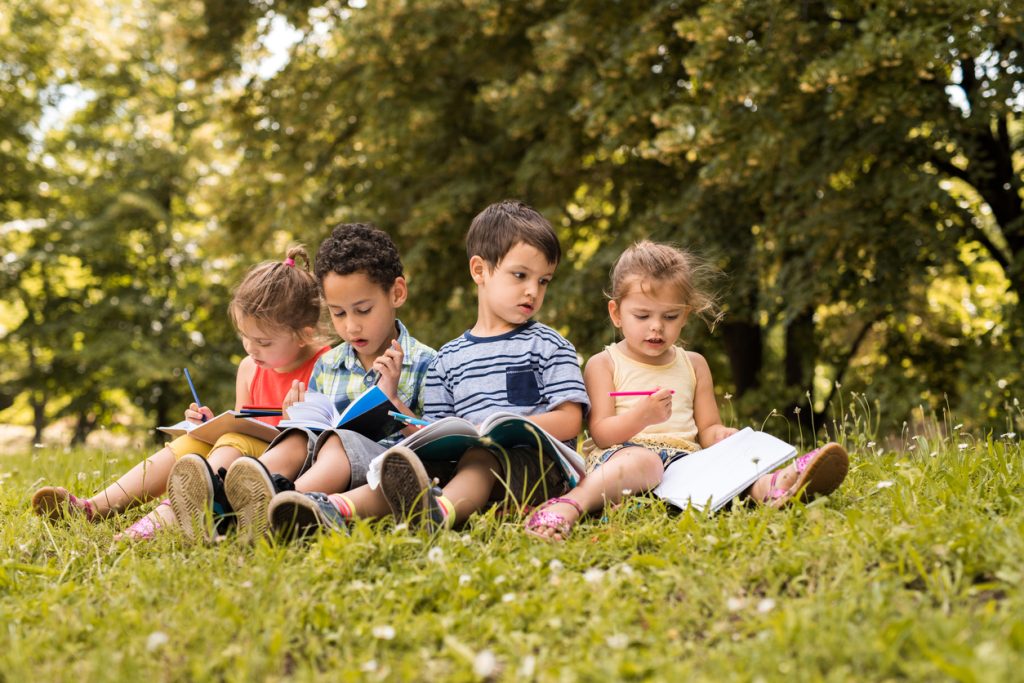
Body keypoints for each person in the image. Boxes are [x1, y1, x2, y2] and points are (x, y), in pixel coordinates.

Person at [266, 199, 590, 536]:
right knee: (407, 467)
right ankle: (333, 507)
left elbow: (570, 419)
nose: (532, 291)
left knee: (482, 458)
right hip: (465, 467)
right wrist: (395, 407)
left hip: (539, 469)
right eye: (521, 275)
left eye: (544, 281)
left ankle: (438, 513)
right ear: (479, 270)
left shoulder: (549, 344)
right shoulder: (448, 359)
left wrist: (497, 428)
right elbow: (433, 432)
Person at [525, 240, 849, 540]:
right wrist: (642, 417)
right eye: (642, 315)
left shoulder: (694, 364)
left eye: (670, 316)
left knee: (724, 465)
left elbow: (706, 429)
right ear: (616, 314)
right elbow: (602, 433)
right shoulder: (604, 363)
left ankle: (775, 485)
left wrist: (720, 435)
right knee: (647, 463)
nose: (656, 326)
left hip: (686, 465)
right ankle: (569, 505)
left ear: (686, 316)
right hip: (624, 459)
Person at [31, 246, 329, 540]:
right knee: (193, 440)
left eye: (263, 342)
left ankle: (159, 522)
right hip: (242, 462)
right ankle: (94, 507)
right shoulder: (250, 368)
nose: (251, 349)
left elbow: (329, 439)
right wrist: (211, 425)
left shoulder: (327, 366)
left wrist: (297, 420)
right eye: (244, 337)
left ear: (305, 334)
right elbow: (245, 421)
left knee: (232, 441)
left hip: (287, 472)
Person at [170, 222, 435, 542]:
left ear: (397, 293)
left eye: (363, 310)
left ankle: (275, 509)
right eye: (338, 314)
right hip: (321, 467)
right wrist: (298, 417)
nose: (351, 327)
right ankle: (229, 498)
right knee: (297, 437)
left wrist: (392, 402)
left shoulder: (425, 363)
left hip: (376, 475)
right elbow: (315, 431)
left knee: (338, 442)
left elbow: (437, 443)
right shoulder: (328, 364)